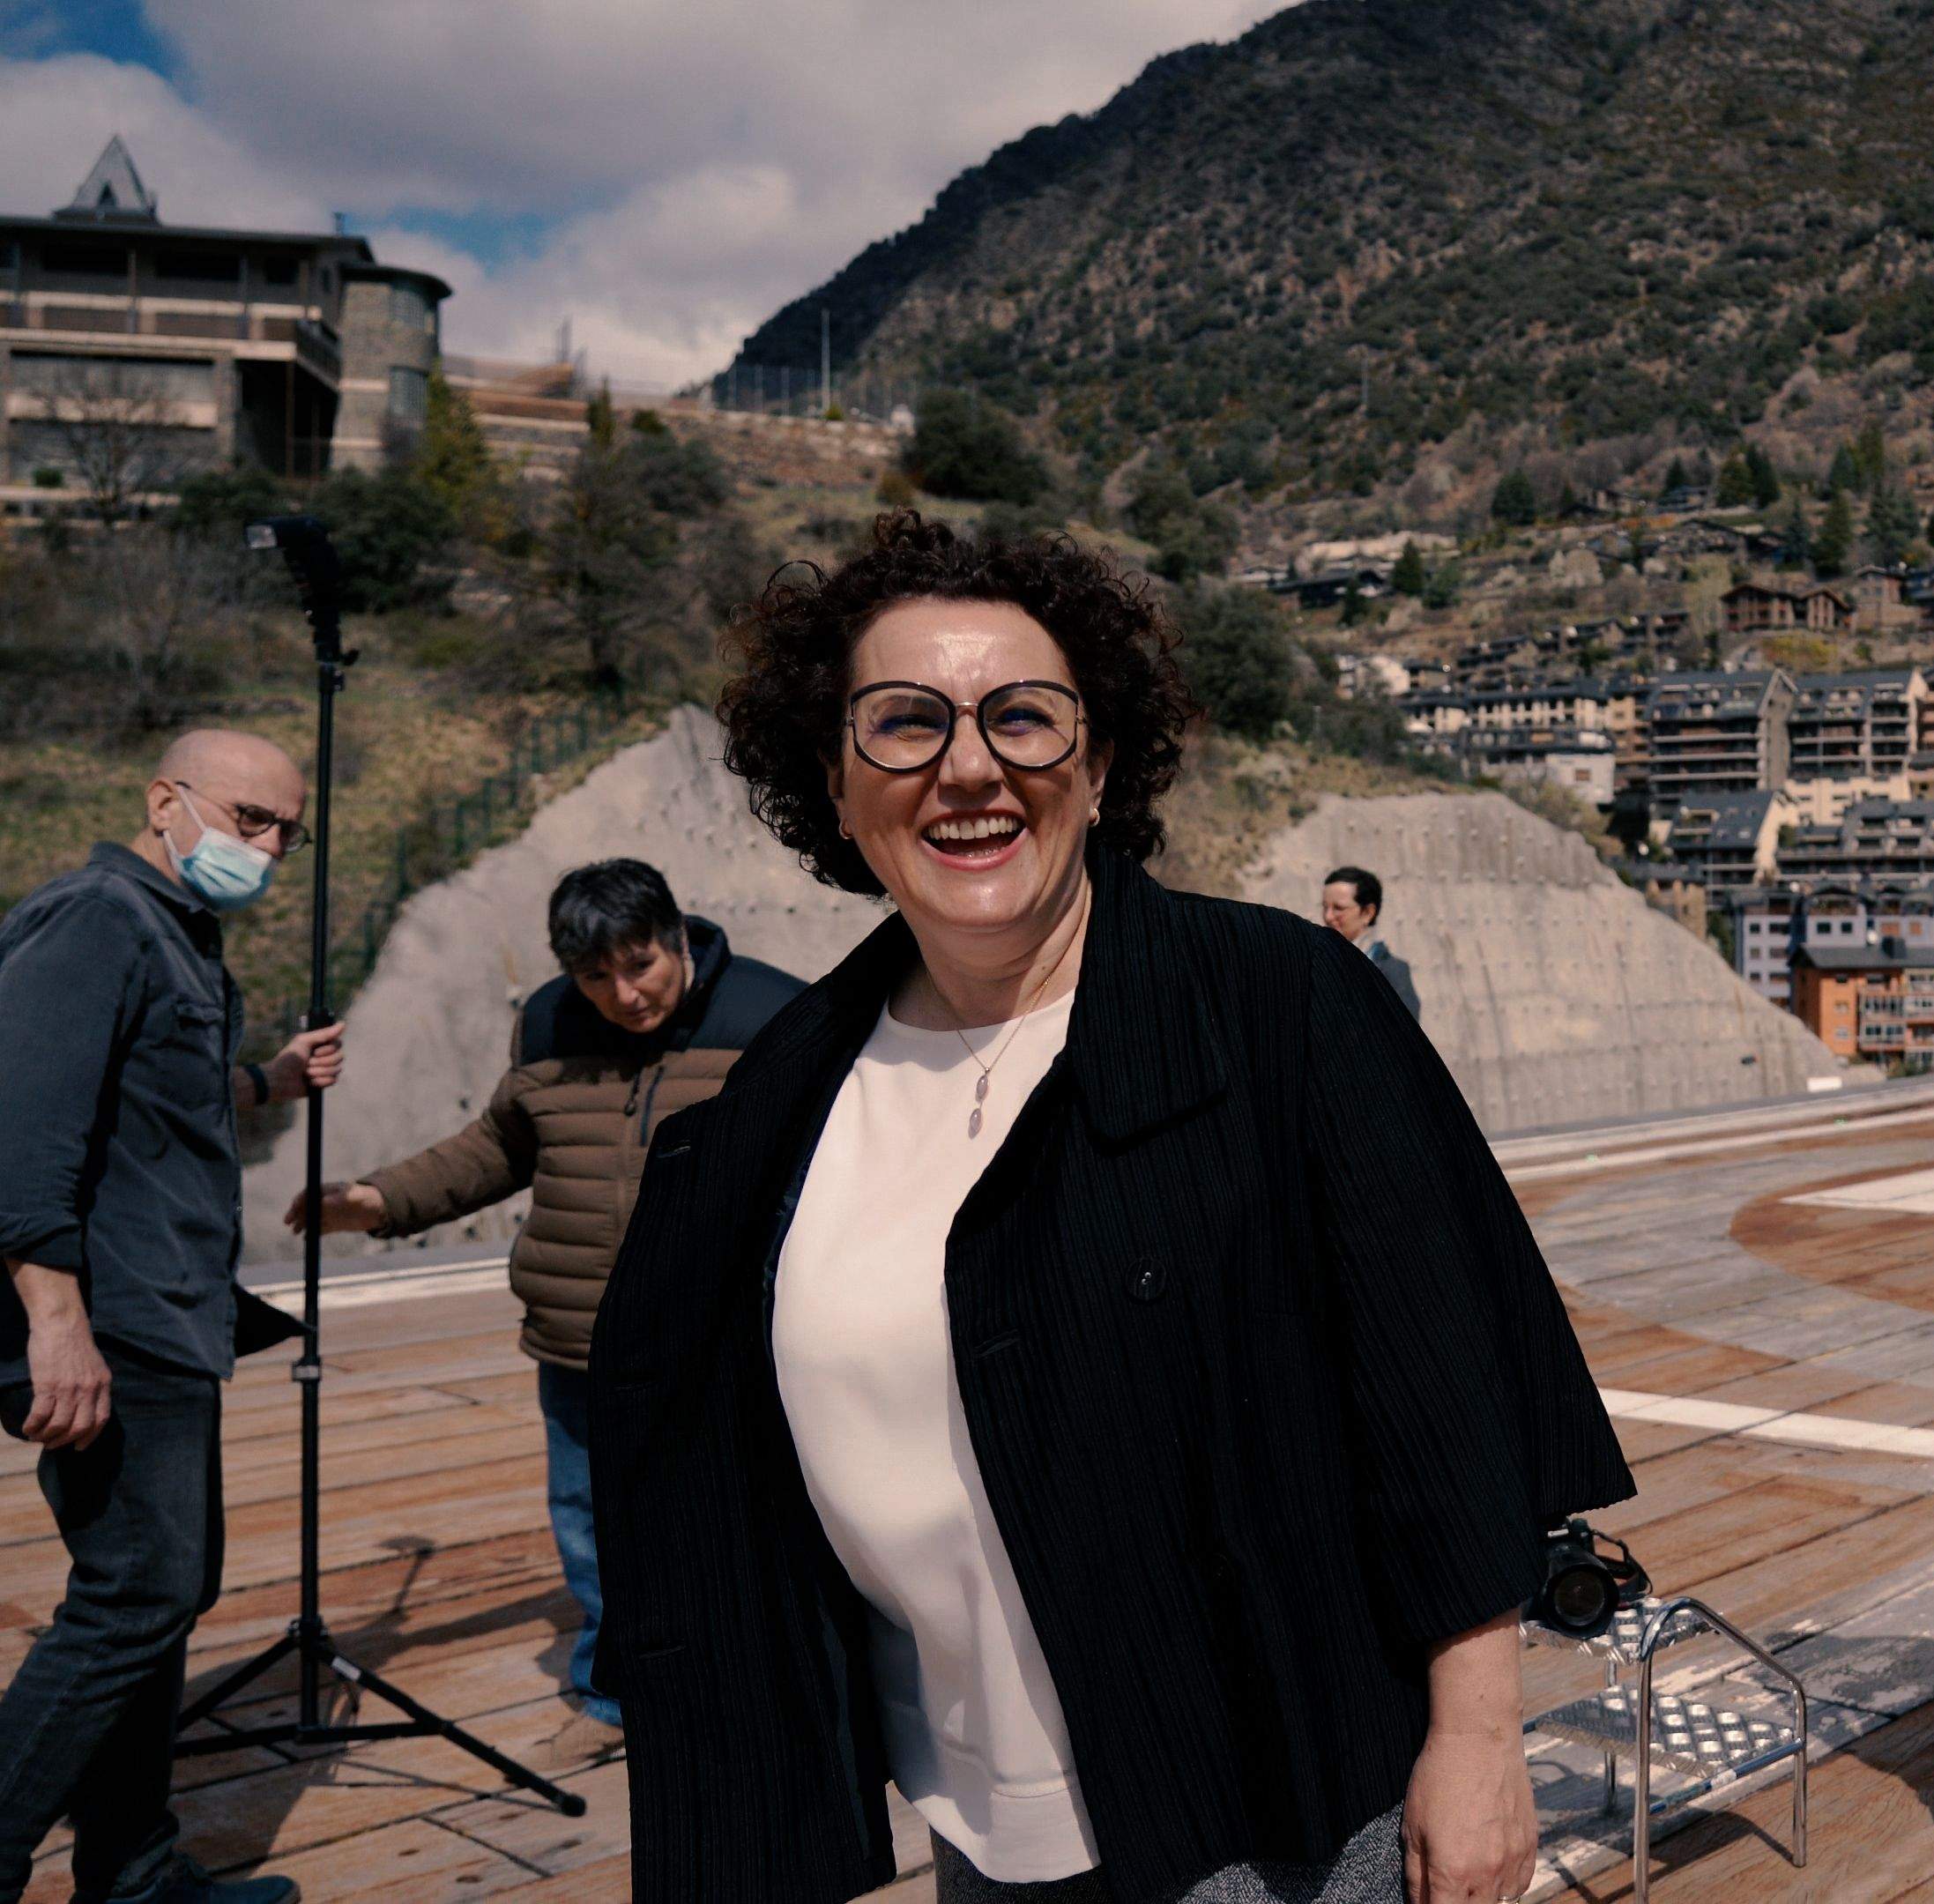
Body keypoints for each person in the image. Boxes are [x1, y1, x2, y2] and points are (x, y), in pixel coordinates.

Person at [586, 514, 1632, 1904]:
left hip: (1271, 1813)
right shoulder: (786, 1094)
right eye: (903, 725)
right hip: (974, 1815)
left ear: (1101, 762)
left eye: (1022, 718)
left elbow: (1441, 1389)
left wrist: (1480, 1735)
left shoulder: (1277, 1008)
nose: (968, 767)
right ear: (834, 787)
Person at [285, 859, 803, 1757]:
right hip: (580, 1335)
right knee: (590, 1514)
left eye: (641, 964)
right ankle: (616, 1688)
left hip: (723, 1335)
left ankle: (756, 1683)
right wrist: (378, 1200)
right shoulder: (548, 1023)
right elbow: (497, 1148)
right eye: (596, 976)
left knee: (742, 1511)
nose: (624, 994)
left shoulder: (773, 1015)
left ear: (678, 935)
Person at [0, 729, 349, 1904]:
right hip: (111, 1326)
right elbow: (23, 1132)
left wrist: (270, 1083)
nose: (265, 848)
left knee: (154, 1595)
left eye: (283, 834)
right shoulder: (97, 917)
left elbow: (152, 1097)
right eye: (248, 820)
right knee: (137, 1593)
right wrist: (55, 1321)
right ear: (165, 800)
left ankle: (136, 1872)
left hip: (165, 1318)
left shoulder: (172, 937)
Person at [1321, 865, 1419, 1021]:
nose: (1328, 917)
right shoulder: (1318, 964)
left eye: (1338, 908)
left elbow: (1404, 1036)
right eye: (1325, 907)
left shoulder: (1392, 972)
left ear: (1368, 912)